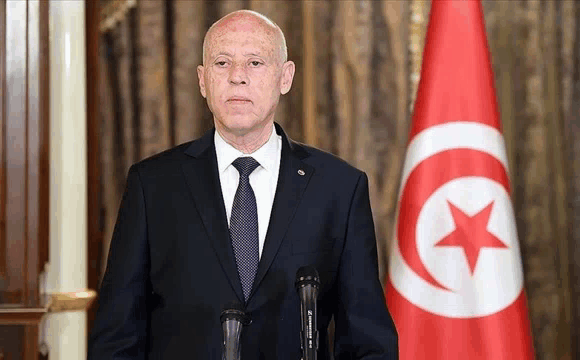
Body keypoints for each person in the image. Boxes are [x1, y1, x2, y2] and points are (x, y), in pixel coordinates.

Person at [88, 9, 398, 360]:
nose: (237, 77)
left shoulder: (339, 188)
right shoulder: (152, 186)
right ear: (203, 81)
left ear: (285, 77)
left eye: (255, 63)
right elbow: (116, 339)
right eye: (222, 63)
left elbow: (369, 343)